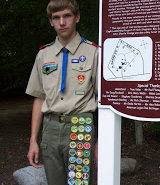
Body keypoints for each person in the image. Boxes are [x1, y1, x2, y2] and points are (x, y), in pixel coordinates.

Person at [26, 0, 98, 184]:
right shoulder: (44, 55)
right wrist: (33, 140)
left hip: (81, 125)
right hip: (50, 128)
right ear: (51, 21)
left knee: (79, 183)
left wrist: (100, 142)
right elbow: (39, 98)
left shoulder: (93, 52)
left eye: (67, 16)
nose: (62, 22)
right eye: (56, 18)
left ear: (77, 17)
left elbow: (103, 101)